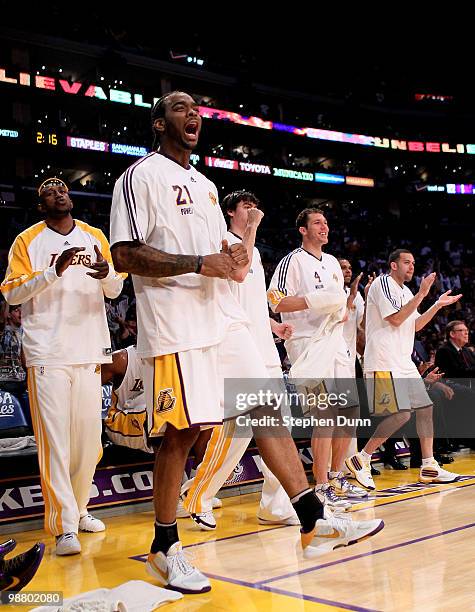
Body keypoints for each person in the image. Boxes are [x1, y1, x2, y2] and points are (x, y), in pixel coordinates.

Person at [110, 91, 384, 594]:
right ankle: (164, 547)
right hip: (175, 326)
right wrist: (199, 264)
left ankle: (312, 517)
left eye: (196, 109)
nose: (192, 114)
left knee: (263, 408)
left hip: (222, 320)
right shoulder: (139, 177)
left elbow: (223, 257)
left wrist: (242, 247)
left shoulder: (207, 187)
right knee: (183, 433)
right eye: (178, 107)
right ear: (157, 123)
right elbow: (124, 254)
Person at [0, 178, 124, 556]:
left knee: (88, 444)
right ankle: (63, 525)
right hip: (47, 353)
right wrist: (54, 270)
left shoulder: (94, 235)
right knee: (55, 444)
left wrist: (106, 274)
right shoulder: (27, 241)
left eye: (62, 188)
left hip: (88, 351)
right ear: (41, 206)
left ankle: (81, 509)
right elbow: (11, 292)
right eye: (49, 191)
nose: (58, 192)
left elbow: (116, 288)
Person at [182, 190, 299, 530]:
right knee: (236, 432)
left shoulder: (256, 249)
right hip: (236, 346)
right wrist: (252, 229)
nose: (253, 210)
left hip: (263, 345)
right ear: (230, 211)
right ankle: (197, 494)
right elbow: (238, 272)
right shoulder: (223, 240)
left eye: (255, 204)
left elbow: (250, 296)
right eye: (246, 206)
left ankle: (276, 505)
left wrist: (273, 324)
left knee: (281, 425)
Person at [267, 209, 367, 509]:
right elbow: (274, 300)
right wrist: (311, 301)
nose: (325, 227)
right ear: (302, 229)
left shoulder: (334, 263)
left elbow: (337, 304)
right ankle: (321, 485)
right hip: (306, 343)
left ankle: (336, 475)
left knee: (350, 410)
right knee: (323, 415)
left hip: (335, 340)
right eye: (317, 223)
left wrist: (342, 309)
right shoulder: (292, 261)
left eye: (326, 222)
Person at [345, 249, 462, 490]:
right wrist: (422, 294)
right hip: (384, 360)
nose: (411, 266)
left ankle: (428, 465)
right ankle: (362, 458)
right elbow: (396, 319)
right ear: (393, 265)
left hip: (403, 362)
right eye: (406, 262)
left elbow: (415, 325)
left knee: (425, 408)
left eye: (413, 262)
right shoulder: (383, 284)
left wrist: (436, 305)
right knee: (401, 414)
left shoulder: (406, 291)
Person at [0, 304, 26, 396]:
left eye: (21, 310)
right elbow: (2, 320)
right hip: (5, 382)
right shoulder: (3, 330)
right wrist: (9, 296)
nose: (20, 313)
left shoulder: (26, 332)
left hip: (22, 381)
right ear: (9, 315)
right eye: (16, 310)